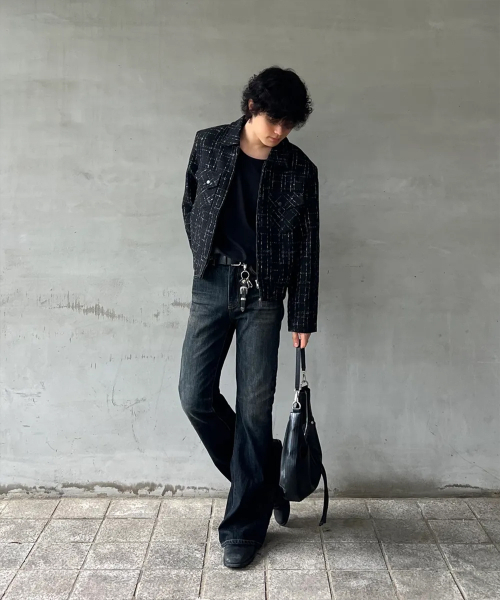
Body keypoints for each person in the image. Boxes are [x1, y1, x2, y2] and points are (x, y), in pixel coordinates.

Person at [178, 65, 320, 568]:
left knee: (255, 410)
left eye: (289, 123)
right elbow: (191, 204)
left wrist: (301, 315)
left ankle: (243, 528)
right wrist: (206, 258)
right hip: (211, 285)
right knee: (194, 395)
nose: (279, 131)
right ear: (251, 107)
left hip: (265, 296)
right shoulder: (210, 143)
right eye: (272, 119)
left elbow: (308, 247)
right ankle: (263, 474)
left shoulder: (299, 168)